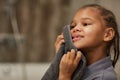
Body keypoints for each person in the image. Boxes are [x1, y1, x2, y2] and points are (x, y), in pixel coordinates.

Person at [55, 4, 119, 80]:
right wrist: (60, 56)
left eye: (85, 24)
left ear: (107, 34)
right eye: (73, 26)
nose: (75, 29)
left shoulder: (104, 77)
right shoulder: (75, 68)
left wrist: (64, 76)